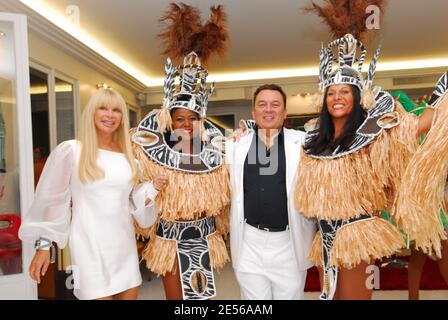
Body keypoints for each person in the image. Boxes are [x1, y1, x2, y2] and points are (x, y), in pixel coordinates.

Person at [292, 27, 445, 299]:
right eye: (331, 92)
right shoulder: (314, 141)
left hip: (356, 233)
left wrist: (441, 97)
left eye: (345, 92)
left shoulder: (373, 134)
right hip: (325, 235)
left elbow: (418, 126)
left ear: (358, 97)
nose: (337, 97)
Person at [19, 88, 162, 300]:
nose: (110, 115)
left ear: (122, 117)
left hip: (123, 246)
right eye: (103, 108)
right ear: (91, 113)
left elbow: (133, 201)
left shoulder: (130, 159)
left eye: (116, 110)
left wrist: (153, 188)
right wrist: (44, 246)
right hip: (89, 246)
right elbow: (53, 202)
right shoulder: (72, 151)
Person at [131, 3, 231, 301]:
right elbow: (135, 195)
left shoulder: (215, 157)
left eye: (192, 119)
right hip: (169, 238)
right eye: (180, 119)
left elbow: (224, 199)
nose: (186, 125)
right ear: (169, 121)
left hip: (204, 235)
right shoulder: (147, 157)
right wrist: (152, 187)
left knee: (202, 299)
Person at [226, 84, 316, 300]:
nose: (268, 110)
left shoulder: (305, 143)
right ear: (253, 112)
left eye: (275, 105)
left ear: (285, 112)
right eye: (262, 105)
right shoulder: (235, 145)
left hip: (289, 242)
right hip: (248, 242)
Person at [393, 72, 448, 299]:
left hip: (435, 200)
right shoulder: (445, 86)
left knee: (429, 253)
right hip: (435, 201)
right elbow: (417, 128)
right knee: (436, 251)